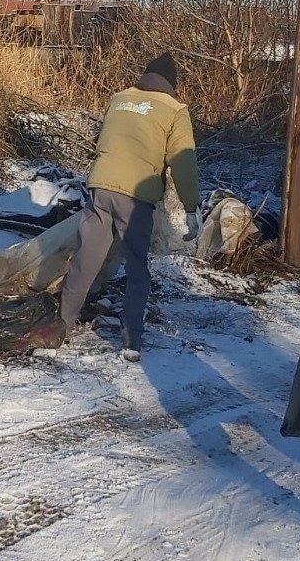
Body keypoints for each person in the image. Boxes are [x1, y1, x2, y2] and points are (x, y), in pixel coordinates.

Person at [34, 52, 200, 356]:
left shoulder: (119, 98)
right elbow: (184, 161)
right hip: (135, 196)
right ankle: (131, 339)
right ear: (172, 85)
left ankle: (63, 325)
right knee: (137, 267)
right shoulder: (174, 110)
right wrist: (192, 207)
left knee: (86, 260)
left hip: (100, 187)